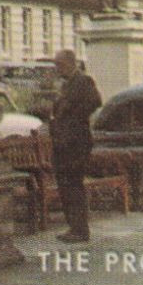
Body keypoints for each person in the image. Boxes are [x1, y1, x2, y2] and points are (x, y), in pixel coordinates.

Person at [49, 48, 102, 243]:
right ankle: (73, 226)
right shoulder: (66, 84)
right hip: (63, 143)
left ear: (71, 63)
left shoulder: (83, 81)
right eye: (56, 65)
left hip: (76, 143)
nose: (57, 69)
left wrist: (74, 118)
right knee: (65, 186)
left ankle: (80, 229)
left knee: (73, 185)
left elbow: (95, 102)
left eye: (60, 64)